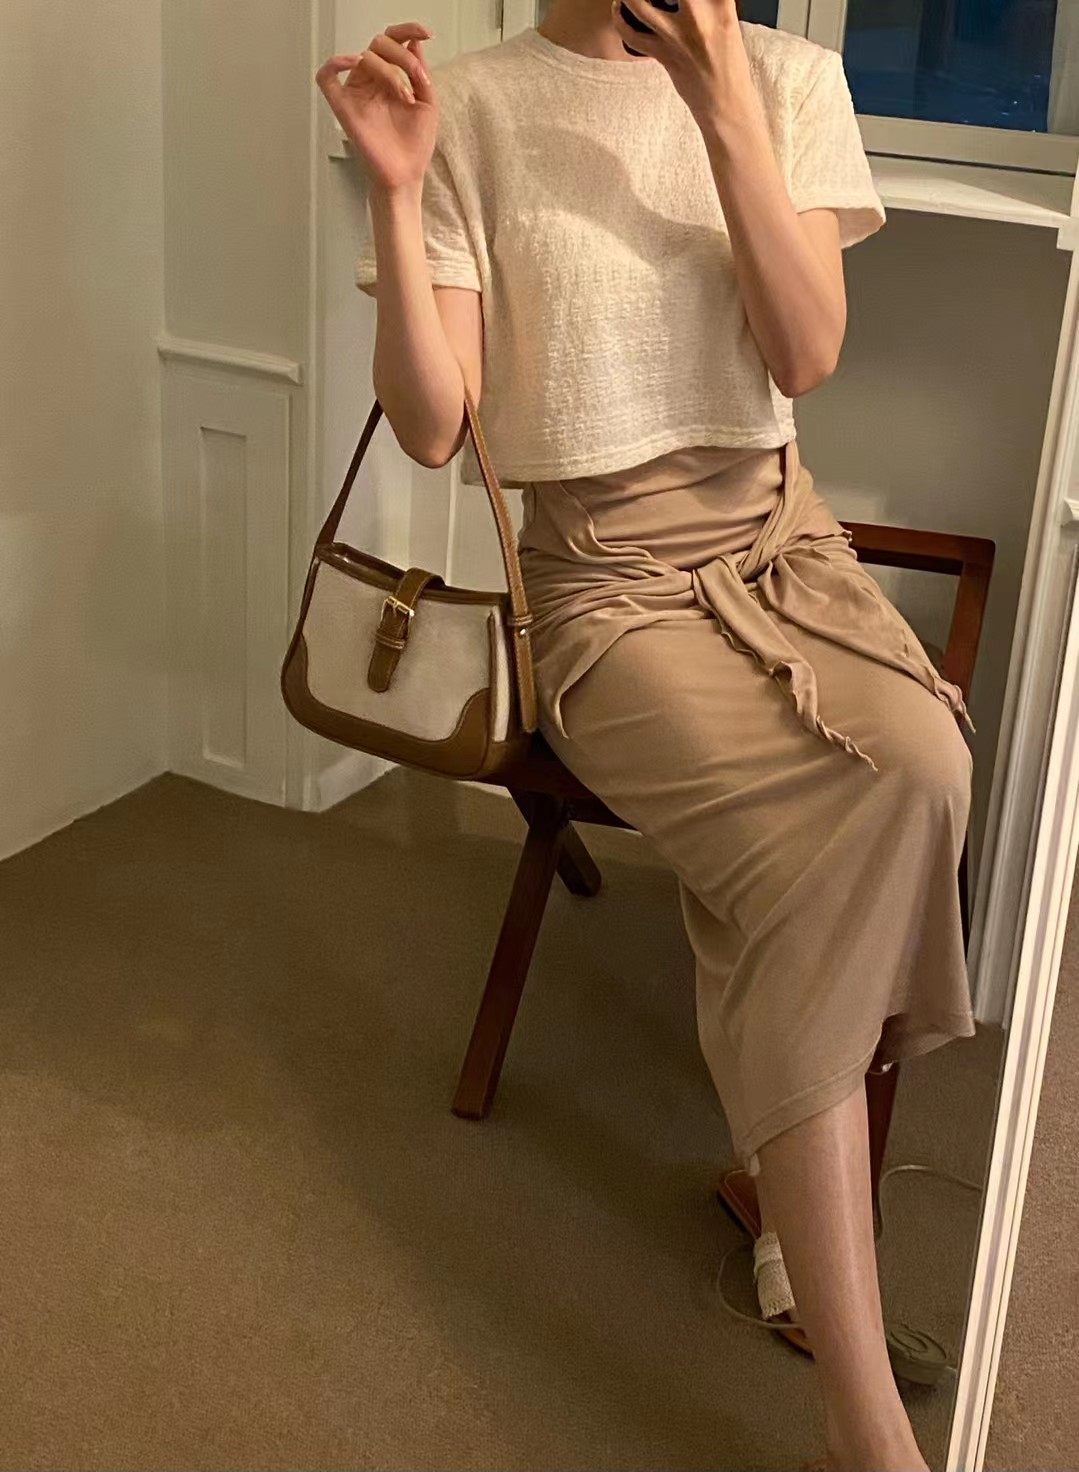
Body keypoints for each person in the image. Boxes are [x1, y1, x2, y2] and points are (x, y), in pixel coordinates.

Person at [316, 4, 976, 1467]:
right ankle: (858, 1400)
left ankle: (774, 1171)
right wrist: (396, 189)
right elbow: (433, 427)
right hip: (602, 586)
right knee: (813, 837)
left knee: (927, 768)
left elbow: (804, 351)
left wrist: (721, 93)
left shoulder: (792, 80)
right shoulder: (472, 104)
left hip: (781, 540)